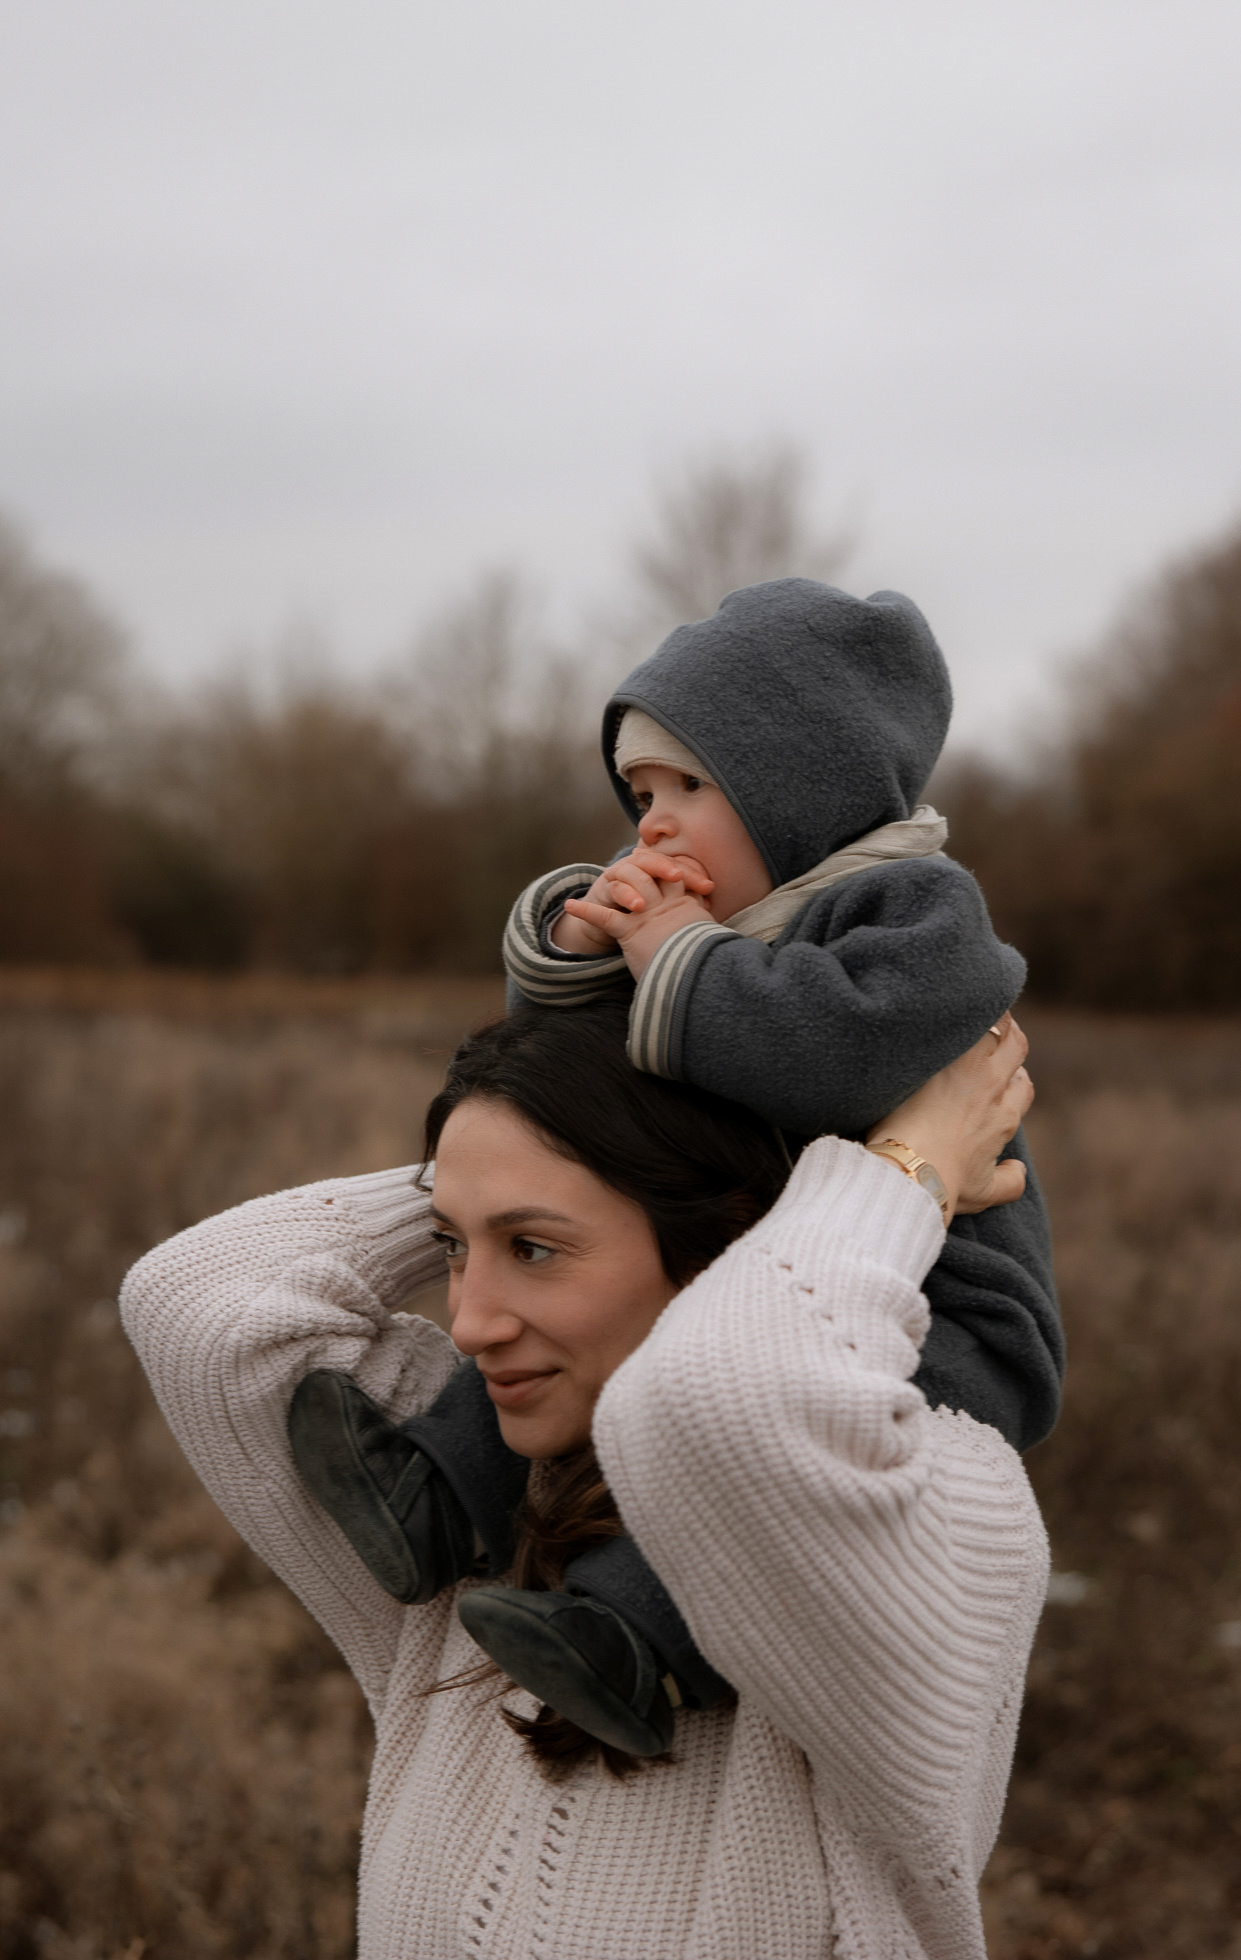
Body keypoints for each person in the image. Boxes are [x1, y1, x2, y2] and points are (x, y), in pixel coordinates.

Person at [289, 578, 1062, 1752]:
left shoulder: (914, 913)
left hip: (946, 1316)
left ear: (802, 797)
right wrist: (575, 947)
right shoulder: (724, 932)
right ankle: (431, 1497)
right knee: (543, 1310)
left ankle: (638, 1645)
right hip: (780, 1260)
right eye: (638, 791)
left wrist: (674, 955)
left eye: (687, 788)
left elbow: (821, 1055)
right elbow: (566, 1089)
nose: (650, 823)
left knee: (740, 1434)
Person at [120, 1000, 1048, 1960]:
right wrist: (510, 1137)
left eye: (533, 1249)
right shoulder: (466, 1524)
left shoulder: (949, 1511)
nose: (472, 1322)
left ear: (727, 1246)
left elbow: (722, 1401)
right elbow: (198, 1305)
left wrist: (891, 1174)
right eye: (451, 1246)